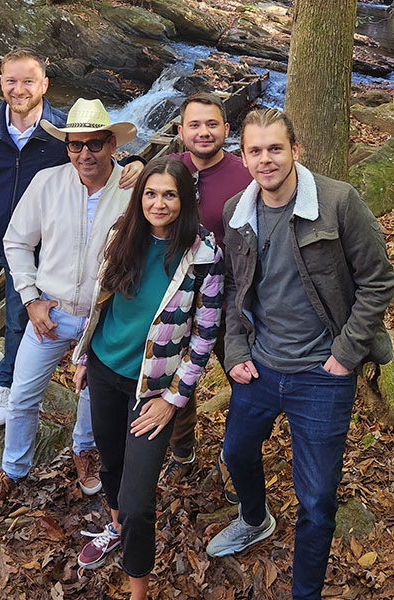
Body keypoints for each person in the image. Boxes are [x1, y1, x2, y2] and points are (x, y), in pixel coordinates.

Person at [206, 108, 394, 600]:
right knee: (237, 452)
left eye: (275, 148)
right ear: (242, 156)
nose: (265, 160)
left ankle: (304, 593)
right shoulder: (236, 213)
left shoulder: (338, 202)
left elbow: (378, 281)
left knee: (316, 499)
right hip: (259, 369)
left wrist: (346, 355)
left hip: (323, 375)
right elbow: (233, 289)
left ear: (296, 149)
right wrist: (234, 349)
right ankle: (254, 517)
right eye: (255, 150)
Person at [0, 98, 139, 519]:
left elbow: (177, 195)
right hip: (51, 313)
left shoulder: (134, 190)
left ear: (112, 144)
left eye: (95, 144)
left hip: (105, 318)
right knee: (23, 395)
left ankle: (85, 450)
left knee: (92, 398)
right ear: (66, 147)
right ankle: (12, 471)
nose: (85, 154)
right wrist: (30, 298)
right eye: (76, 145)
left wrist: (145, 166)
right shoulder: (46, 183)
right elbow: (17, 242)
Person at [0, 49, 141, 424]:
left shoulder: (62, 131)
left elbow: (97, 160)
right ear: (0, 82)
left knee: (18, 317)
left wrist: (138, 166)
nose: (19, 89)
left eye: (28, 81)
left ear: (44, 85)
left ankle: (7, 385)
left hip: (31, 244)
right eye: (11, 80)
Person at [70, 157, 223, 600]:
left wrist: (174, 398)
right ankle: (113, 527)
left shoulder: (203, 254)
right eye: (151, 193)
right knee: (111, 465)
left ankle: (138, 589)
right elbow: (101, 299)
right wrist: (83, 356)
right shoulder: (125, 232)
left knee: (139, 503)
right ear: (140, 197)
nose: (159, 203)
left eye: (170, 195)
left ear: (185, 200)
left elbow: (205, 333)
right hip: (104, 370)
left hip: (152, 391)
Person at [160, 92, 251, 493]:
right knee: (177, 374)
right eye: (194, 125)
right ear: (180, 132)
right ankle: (182, 452)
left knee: (242, 379)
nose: (203, 132)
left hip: (230, 297)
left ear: (226, 130)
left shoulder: (244, 177)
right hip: (178, 295)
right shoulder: (167, 169)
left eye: (212, 124)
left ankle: (236, 457)